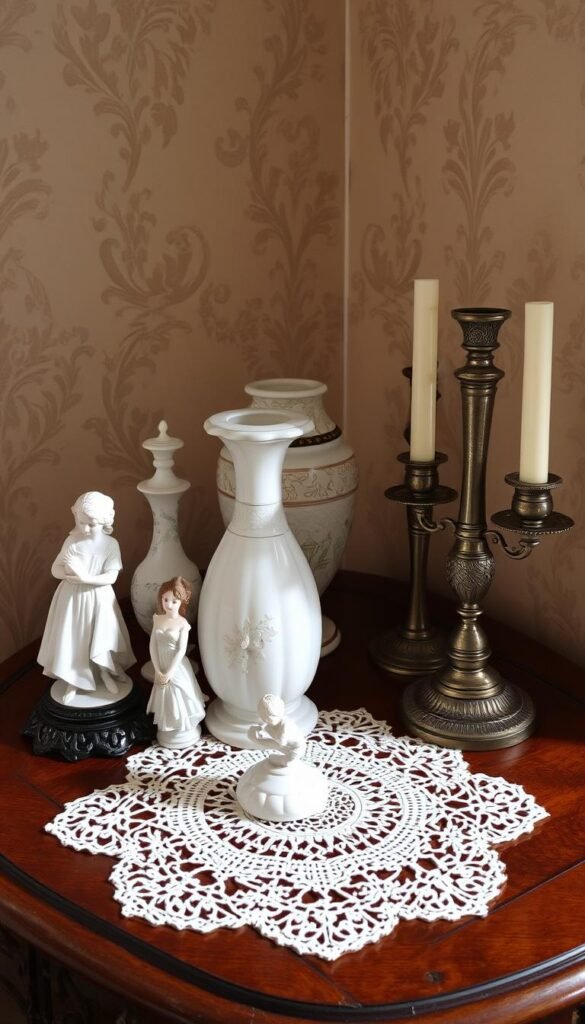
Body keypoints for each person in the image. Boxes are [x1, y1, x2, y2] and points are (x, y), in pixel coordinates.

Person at [38, 492, 136, 705]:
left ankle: (105, 673)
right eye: (80, 522)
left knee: (101, 638)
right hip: (71, 599)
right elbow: (56, 568)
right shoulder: (72, 541)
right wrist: (70, 575)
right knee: (74, 639)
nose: (84, 528)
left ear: (104, 522)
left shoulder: (111, 545)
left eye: (90, 524)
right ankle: (75, 680)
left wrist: (85, 577)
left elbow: (111, 576)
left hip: (99, 599)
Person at [147, 576, 206, 748]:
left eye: (174, 601)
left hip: (176, 666)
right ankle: (168, 727)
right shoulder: (157, 619)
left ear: (182, 602)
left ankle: (182, 727)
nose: (168, 604)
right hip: (161, 664)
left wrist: (169, 672)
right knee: (164, 698)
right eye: (165, 600)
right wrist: (158, 670)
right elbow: (152, 646)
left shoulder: (182, 624)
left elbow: (181, 650)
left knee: (179, 695)